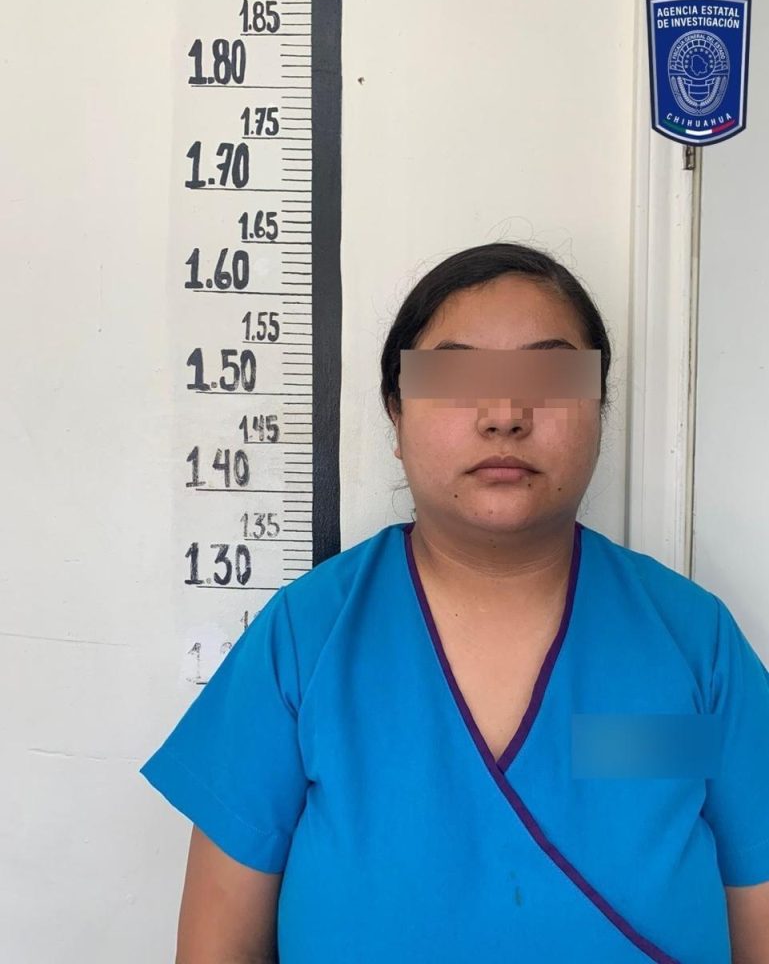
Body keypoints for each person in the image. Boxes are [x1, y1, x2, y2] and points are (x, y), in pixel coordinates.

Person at [139, 242, 769, 964]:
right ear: (396, 414)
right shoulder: (304, 643)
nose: (503, 414)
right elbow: (217, 949)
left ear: (599, 405)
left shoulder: (694, 645)